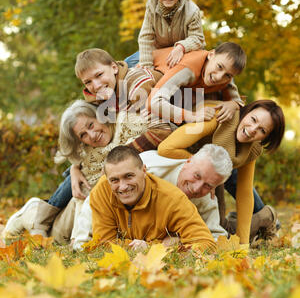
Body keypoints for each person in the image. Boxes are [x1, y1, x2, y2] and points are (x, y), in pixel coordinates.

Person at [2, 100, 172, 243]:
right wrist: (78, 241)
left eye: (91, 125)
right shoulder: (89, 156)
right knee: (58, 237)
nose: (92, 135)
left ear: (100, 116)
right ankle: (33, 213)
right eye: (83, 135)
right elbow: (85, 194)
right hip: (79, 207)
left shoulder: (130, 124)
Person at [47, 47, 172, 208]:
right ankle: (49, 208)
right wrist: (74, 168)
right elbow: (81, 123)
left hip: (171, 123)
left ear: (114, 68)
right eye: (88, 82)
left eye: (98, 75)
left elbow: (161, 131)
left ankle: (48, 209)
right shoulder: (100, 96)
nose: (96, 85)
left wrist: (119, 156)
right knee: (85, 168)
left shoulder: (136, 86)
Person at [157, 99, 285, 245]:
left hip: (214, 176)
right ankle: (263, 217)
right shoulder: (217, 117)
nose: (252, 129)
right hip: (188, 166)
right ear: (246, 112)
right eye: (253, 119)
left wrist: (242, 245)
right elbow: (166, 148)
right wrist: (204, 171)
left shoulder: (251, 149)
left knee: (217, 229)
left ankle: (264, 217)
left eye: (262, 130)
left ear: (266, 138)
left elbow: (244, 193)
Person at [89, 145, 216, 252]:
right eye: (114, 180)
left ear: (144, 171)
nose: (122, 187)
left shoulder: (172, 199)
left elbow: (206, 244)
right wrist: (160, 245)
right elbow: (104, 245)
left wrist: (157, 249)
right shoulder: (102, 191)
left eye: (129, 176)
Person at [139, 145, 233, 241]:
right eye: (197, 176)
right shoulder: (149, 170)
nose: (196, 189)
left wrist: (180, 240)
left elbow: (216, 237)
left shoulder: (206, 200)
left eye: (208, 185)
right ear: (188, 161)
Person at [124, 0, 205, 69]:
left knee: (192, 66)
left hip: (184, 51)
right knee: (128, 63)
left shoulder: (192, 10)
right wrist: (147, 66)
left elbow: (197, 38)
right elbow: (145, 37)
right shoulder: (151, 7)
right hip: (159, 51)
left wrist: (181, 47)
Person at [146, 41, 246, 125]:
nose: (219, 77)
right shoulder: (188, 68)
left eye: (228, 75)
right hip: (149, 58)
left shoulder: (226, 79)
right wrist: (192, 116)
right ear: (211, 55)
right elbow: (153, 103)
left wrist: (233, 105)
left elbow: (238, 102)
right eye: (219, 66)